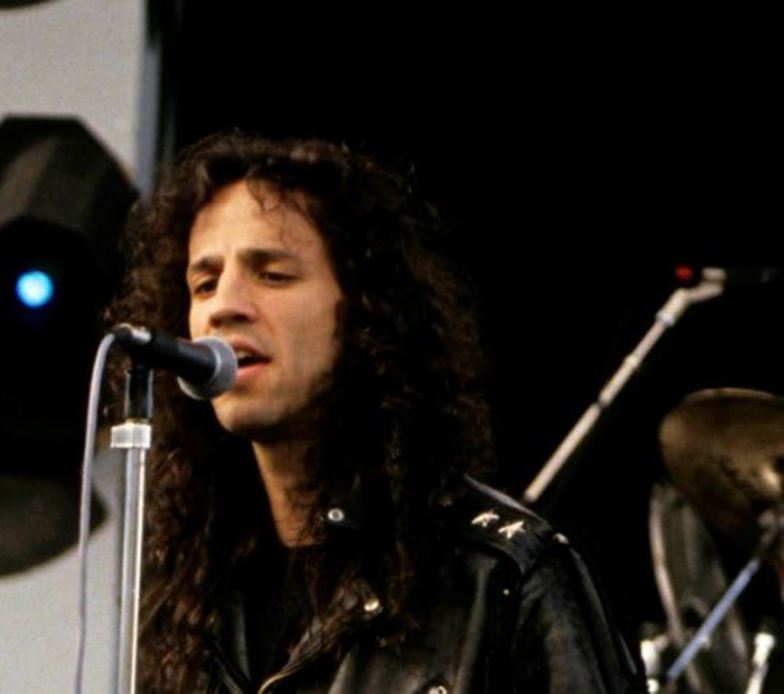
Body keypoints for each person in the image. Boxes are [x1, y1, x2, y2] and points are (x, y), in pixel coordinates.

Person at [107, 131, 643, 693]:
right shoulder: (189, 596)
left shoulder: (501, 576)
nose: (224, 307)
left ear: (366, 312)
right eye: (204, 283)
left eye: (273, 274)